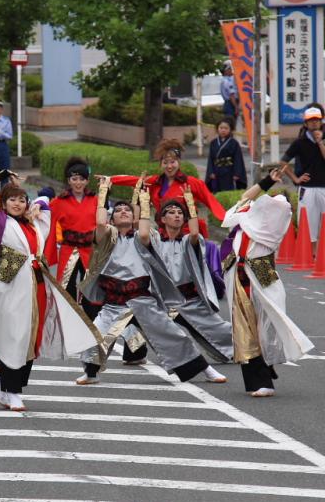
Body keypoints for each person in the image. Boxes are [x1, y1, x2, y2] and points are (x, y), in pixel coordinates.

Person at [0, 171, 102, 411]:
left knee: (31, 340)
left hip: (38, 286)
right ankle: (11, 390)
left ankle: (2, 384)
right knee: (15, 337)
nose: (17, 204)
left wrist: (37, 205)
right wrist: (1, 175)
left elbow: (45, 200)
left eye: (22, 200)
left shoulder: (34, 224)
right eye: (11, 200)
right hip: (12, 286)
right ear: (3, 204)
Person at [75, 177, 227, 385]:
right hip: (114, 301)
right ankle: (90, 373)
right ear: (112, 219)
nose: (123, 211)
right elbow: (100, 222)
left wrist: (144, 203)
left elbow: (144, 231)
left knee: (171, 335)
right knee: (97, 335)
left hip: (141, 299)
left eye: (127, 209)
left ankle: (206, 369)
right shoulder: (106, 237)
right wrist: (104, 191)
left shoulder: (142, 237)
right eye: (118, 210)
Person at [221, 168, 314, 397]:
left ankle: (266, 369)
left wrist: (270, 192)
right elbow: (245, 199)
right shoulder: (248, 215)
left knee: (265, 325)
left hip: (260, 272)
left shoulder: (272, 222)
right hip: (237, 273)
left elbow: (275, 204)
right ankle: (258, 380)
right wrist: (265, 182)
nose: (263, 201)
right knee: (244, 329)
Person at [147, 195, 233, 363]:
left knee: (219, 329)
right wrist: (142, 203)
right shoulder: (155, 240)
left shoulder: (188, 241)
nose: (177, 215)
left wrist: (190, 205)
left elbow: (194, 233)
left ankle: (244, 348)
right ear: (162, 219)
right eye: (171, 212)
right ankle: (131, 355)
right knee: (136, 325)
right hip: (162, 300)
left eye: (180, 213)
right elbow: (141, 232)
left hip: (189, 300)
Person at [111, 138, 226, 238]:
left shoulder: (192, 183)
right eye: (165, 162)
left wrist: (229, 220)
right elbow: (132, 180)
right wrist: (109, 179)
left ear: (179, 162)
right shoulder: (155, 182)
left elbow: (212, 202)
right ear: (161, 164)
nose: (169, 166)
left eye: (173, 162)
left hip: (188, 235)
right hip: (164, 234)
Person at [44, 158, 98, 304]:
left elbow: (104, 225)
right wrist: (37, 207)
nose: (78, 183)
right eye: (74, 179)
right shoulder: (59, 201)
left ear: (87, 181)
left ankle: (90, 321)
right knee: (66, 287)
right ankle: (69, 319)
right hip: (69, 249)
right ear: (69, 180)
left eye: (82, 179)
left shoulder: (96, 200)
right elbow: (45, 214)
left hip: (90, 250)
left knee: (91, 288)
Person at [280, 106, 325, 251]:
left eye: (316, 120)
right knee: (308, 224)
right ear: (305, 124)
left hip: (324, 186)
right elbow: (283, 162)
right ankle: (311, 255)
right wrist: (296, 179)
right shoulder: (299, 142)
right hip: (307, 188)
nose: (313, 123)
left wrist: (320, 142)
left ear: (321, 122)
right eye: (310, 121)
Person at [206, 117, 246, 193]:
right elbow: (210, 159)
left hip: (229, 171)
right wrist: (211, 172)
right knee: (216, 191)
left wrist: (237, 173)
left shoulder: (234, 143)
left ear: (230, 129)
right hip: (216, 171)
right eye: (221, 128)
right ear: (217, 129)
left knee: (229, 190)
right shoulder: (213, 143)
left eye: (226, 128)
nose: (223, 130)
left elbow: (238, 159)